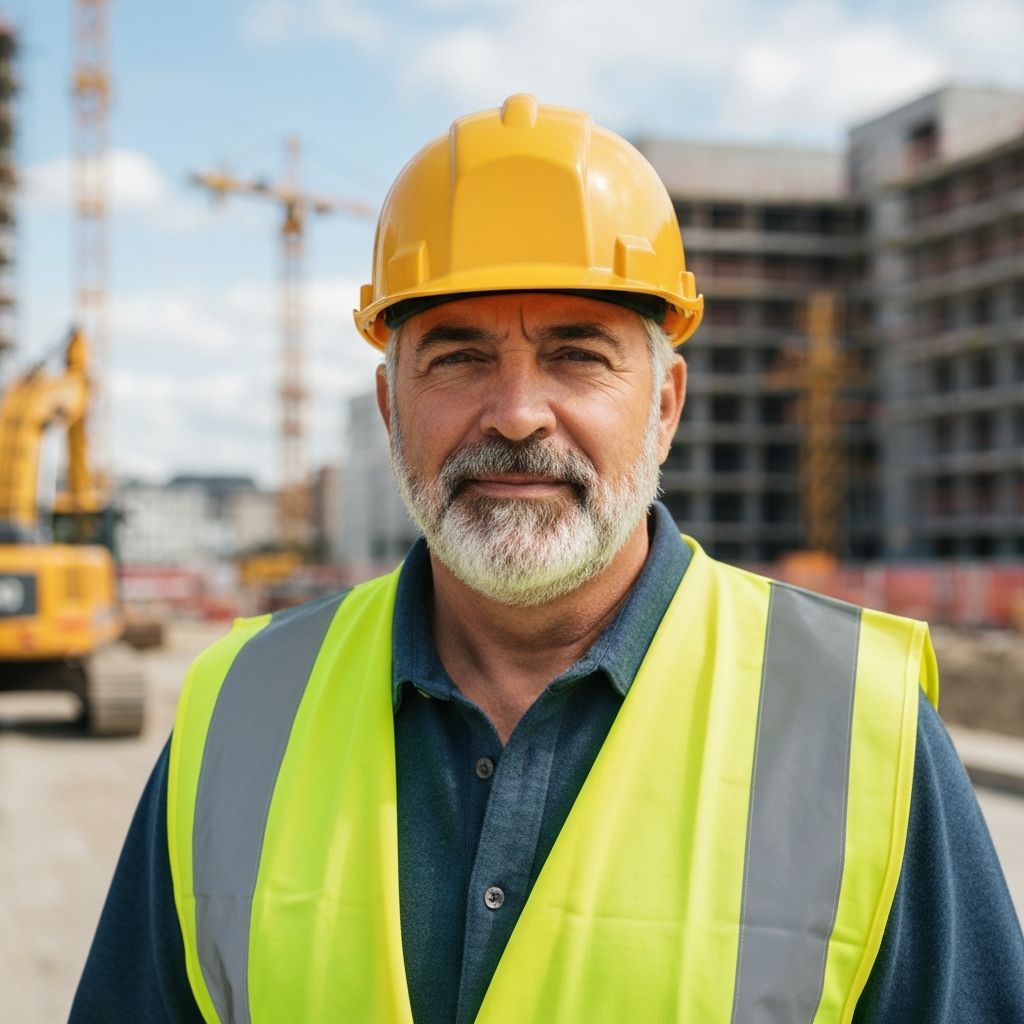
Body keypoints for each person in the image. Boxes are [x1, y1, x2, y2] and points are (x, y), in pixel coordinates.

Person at [72, 95, 1024, 1023]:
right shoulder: (239, 712)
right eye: (458, 357)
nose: (518, 412)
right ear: (388, 406)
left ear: (664, 405)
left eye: (577, 355)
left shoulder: (859, 726)